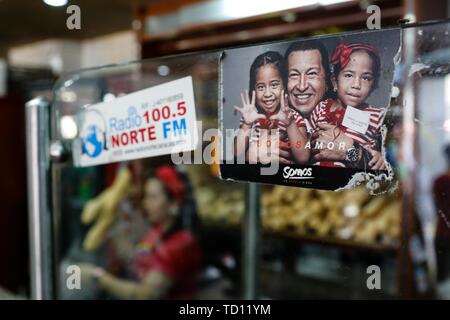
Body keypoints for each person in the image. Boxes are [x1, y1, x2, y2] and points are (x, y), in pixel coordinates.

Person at [81, 165, 202, 300]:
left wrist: (98, 277)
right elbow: (137, 259)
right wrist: (115, 229)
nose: (145, 203)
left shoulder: (180, 244)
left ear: (174, 203)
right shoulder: (155, 233)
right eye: (146, 196)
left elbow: (146, 295)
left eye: (153, 197)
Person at [308, 43, 386, 169]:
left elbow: (389, 155)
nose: (356, 84)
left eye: (366, 78)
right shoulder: (320, 109)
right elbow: (307, 144)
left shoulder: (377, 116)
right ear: (335, 81)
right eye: (349, 75)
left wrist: (382, 158)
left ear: (373, 85)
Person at [234, 51, 309, 164]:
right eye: (261, 87)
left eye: (274, 85)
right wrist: (246, 125)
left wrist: (290, 124)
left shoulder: (292, 117)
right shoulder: (251, 119)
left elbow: (303, 158)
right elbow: (237, 154)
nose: (267, 93)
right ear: (253, 89)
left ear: (284, 85)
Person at [433, 144, 450, 282]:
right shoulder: (440, 180)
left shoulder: (439, 181)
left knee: (442, 276)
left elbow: (436, 206)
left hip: (442, 232)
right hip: (443, 232)